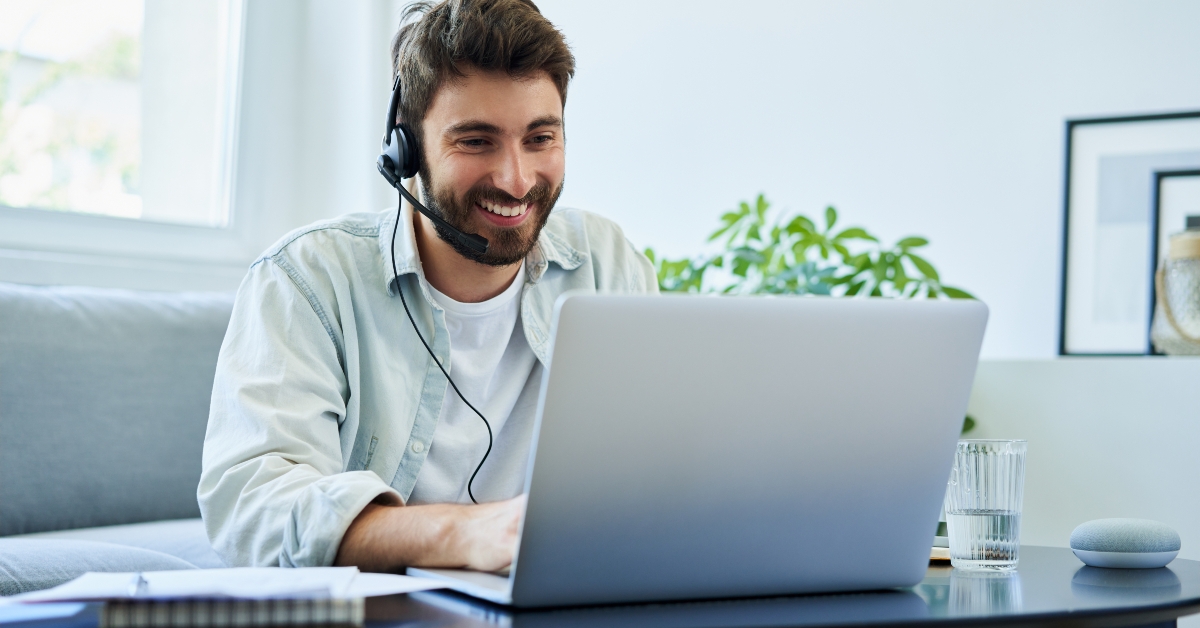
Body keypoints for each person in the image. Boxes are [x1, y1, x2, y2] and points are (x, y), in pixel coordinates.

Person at [197, 0, 657, 572]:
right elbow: (253, 504)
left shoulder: (608, 265)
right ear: (406, 148)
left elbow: (661, 467)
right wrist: (460, 535)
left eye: (540, 138)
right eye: (475, 141)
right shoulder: (306, 279)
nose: (516, 180)